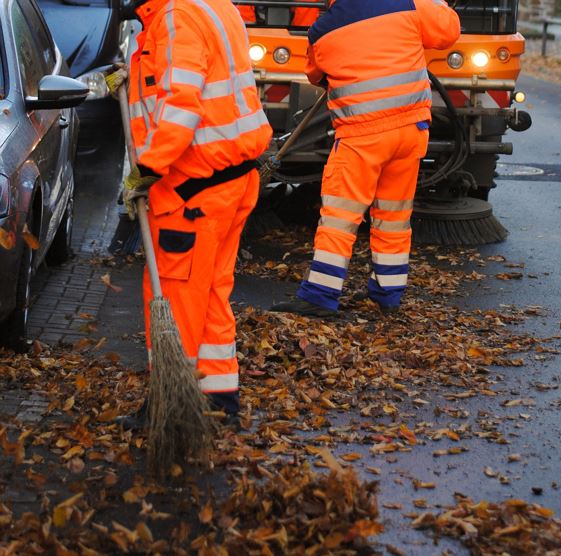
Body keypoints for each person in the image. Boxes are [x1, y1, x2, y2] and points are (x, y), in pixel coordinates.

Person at [115, 0, 272, 427]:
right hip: (230, 181)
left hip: (192, 190)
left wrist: (145, 171)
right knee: (211, 292)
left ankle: (171, 407)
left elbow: (182, 105)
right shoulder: (212, 6)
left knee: (178, 297)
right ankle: (218, 397)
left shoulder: (175, 18)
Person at [271, 0, 460, 317]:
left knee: (340, 217)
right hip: (410, 131)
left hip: (362, 136)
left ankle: (319, 295)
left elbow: (316, 75)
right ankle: (387, 294)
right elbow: (448, 29)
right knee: (394, 216)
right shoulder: (407, 2)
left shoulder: (323, 30)